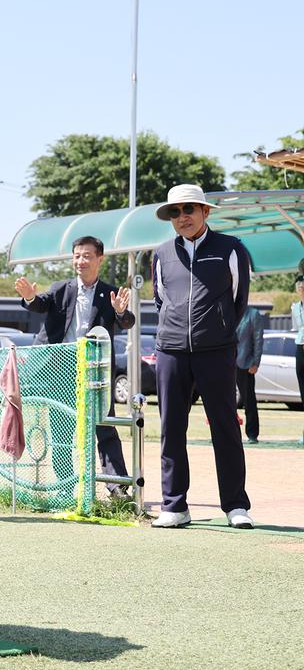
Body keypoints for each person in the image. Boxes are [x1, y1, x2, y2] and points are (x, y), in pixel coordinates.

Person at [149, 184, 252, 528]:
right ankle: (174, 506)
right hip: (171, 351)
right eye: (175, 212)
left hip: (216, 351)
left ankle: (236, 506)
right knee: (171, 428)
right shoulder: (161, 253)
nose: (182, 217)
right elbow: (161, 300)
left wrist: (218, 330)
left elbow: (238, 300)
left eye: (189, 209)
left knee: (225, 426)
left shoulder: (231, 248)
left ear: (205, 211)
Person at [14, 236, 135, 497]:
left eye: (87, 256)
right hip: (62, 369)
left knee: (105, 427)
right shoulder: (61, 288)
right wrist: (30, 297)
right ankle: (65, 488)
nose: (81, 261)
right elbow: (40, 303)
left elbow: (127, 322)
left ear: (100, 259)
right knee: (61, 430)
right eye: (77, 256)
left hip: (96, 370)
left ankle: (117, 487)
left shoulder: (110, 292)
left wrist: (120, 311)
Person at [233, 301, 264, 444]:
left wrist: (256, 362)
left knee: (249, 400)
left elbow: (258, 340)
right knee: (225, 401)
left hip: (246, 363)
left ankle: (252, 434)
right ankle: (229, 433)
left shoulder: (253, 314)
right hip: (227, 363)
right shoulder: (228, 312)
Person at [292, 276, 304, 411]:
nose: (301, 289)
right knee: (301, 379)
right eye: (299, 288)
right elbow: (296, 327)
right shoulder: (295, 307)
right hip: (300, 346)